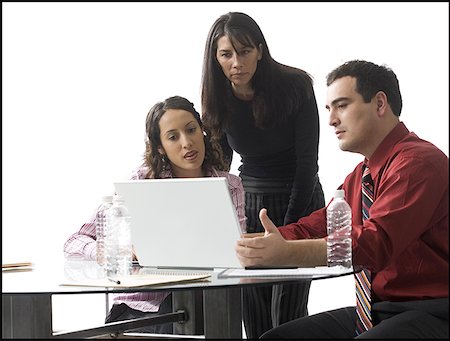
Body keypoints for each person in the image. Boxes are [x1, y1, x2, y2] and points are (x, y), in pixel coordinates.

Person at [236, 60, 449, 339]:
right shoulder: (360, 176)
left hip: (432, 310)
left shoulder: (419, 163)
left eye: (342, 105)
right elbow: (316, 226)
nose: (331, 119)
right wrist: (257, 245)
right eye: (329, 109)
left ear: (380, 104)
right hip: (380, 310)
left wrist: (287, 253)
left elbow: (376, 242)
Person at [64, 95, 246, 334]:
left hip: (205, 301)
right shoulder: (143, 181)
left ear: (203, 132)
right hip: (140, 307)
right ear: (160, 146)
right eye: (173, 137)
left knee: (201, 308)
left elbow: (237, 250)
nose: (187, 143)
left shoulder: (230, 185)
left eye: (191, 130)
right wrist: (106, 251)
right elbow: (74, 241)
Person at [200, 11, 326, 338]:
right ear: (215, 58)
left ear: (259, 50)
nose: (236, 62)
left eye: (244, 51)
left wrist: (290, 230)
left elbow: (307, 165)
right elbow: (220, 167)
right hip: (250, 202)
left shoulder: (295, 85)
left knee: (286, 315)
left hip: (299, 199)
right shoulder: (216, 99)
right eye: (226, 54)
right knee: (253, 315)